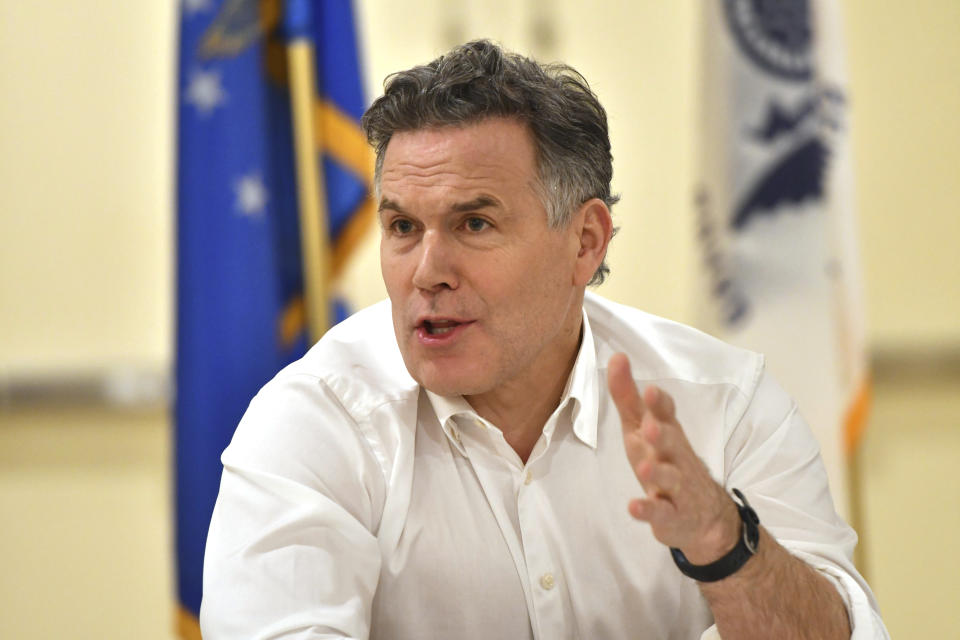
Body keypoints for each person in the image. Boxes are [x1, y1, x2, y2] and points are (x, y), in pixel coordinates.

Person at [201, 40, 887, 639]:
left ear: (585, 242)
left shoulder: (723, 409)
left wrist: (725, 545)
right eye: (403, 227)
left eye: (474, 224)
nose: (427, 273)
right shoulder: (312, 423)